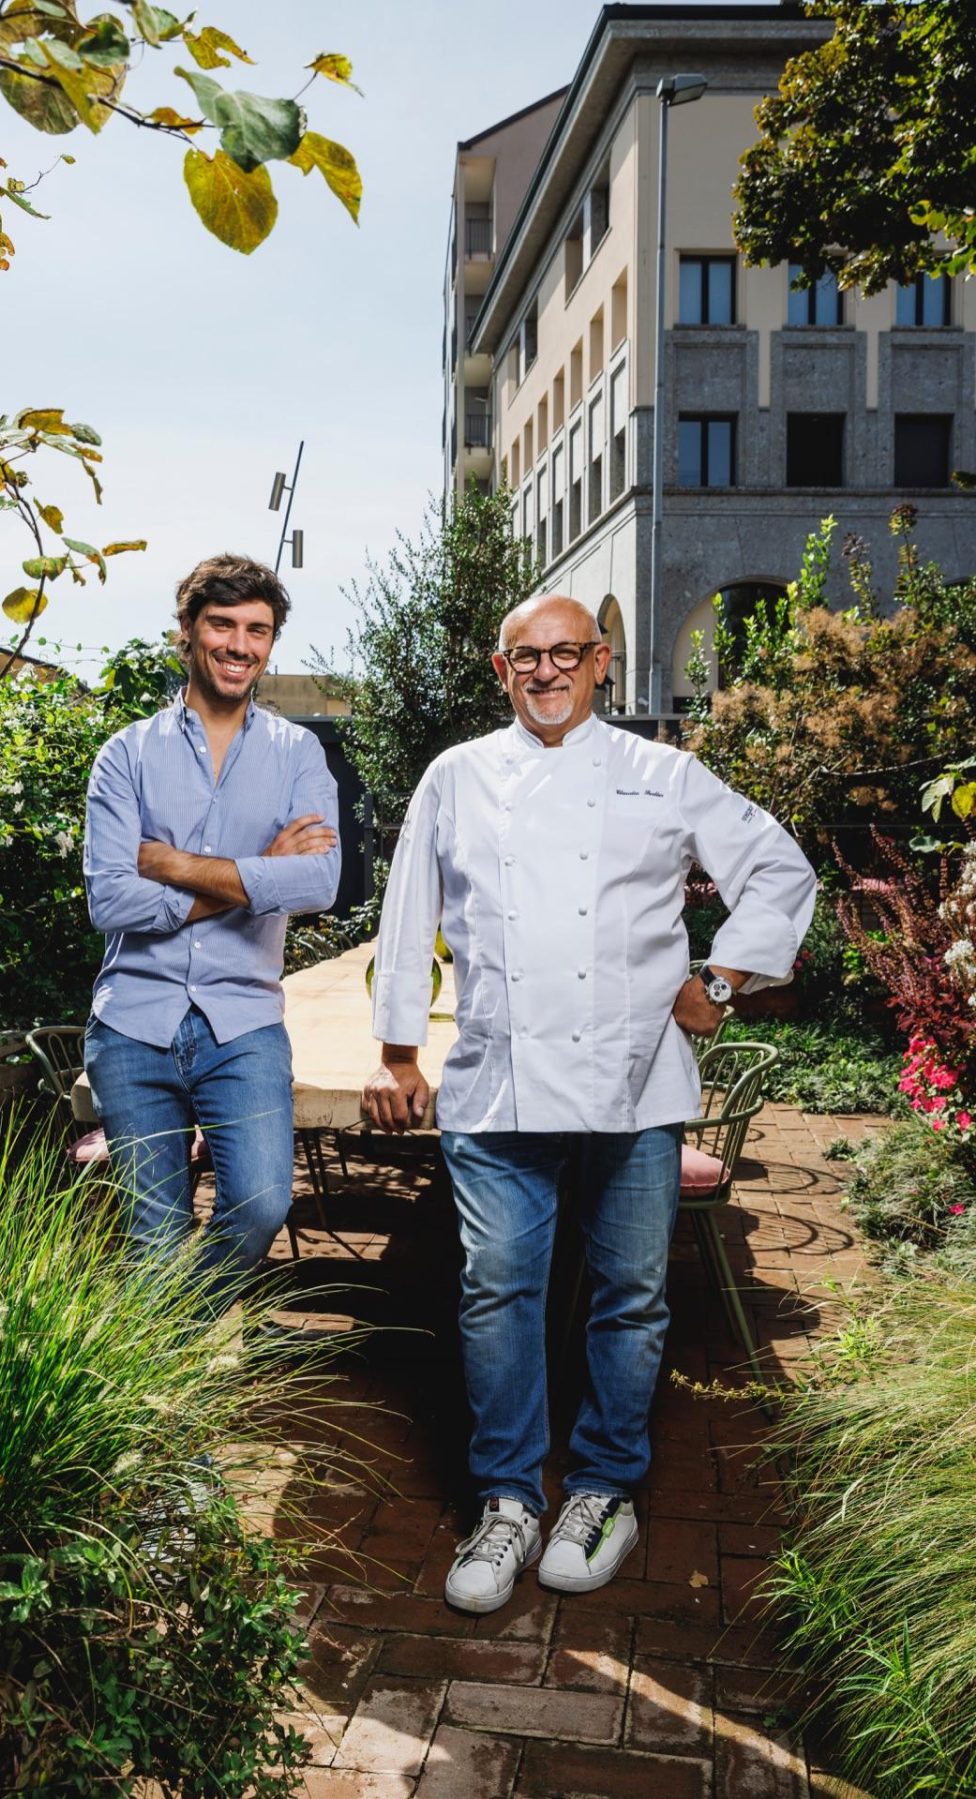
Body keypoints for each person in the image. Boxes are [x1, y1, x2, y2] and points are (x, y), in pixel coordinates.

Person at [362, 594, 815, 1614]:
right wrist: (398, 1052)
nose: (548, 669)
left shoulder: (663, 775)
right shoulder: (459, 775)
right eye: (528, 654)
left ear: (601, 662)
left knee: (631, 1296)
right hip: (499, 1077)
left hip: (635, 1082)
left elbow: (780, 869)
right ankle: (510, 1497)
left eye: (567, 652)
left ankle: (605, 1486)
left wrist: (727, 979)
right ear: (501, 667)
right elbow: (407, 914)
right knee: (497, 1293)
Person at [83, 553, 341, 1302]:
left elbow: (318, 882)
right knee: (153, 1237)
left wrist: (171, 863)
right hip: (134, 1021)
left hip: (245, 1020)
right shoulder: (125, 755)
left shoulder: (299, 755)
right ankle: (156, 1401)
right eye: (221, 625)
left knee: (262, 1203)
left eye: (256, 630)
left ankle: (164, 1343)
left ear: (270, 643)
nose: (239, 644)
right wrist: (256, 873)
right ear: (187, 635)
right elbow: (112, 901)